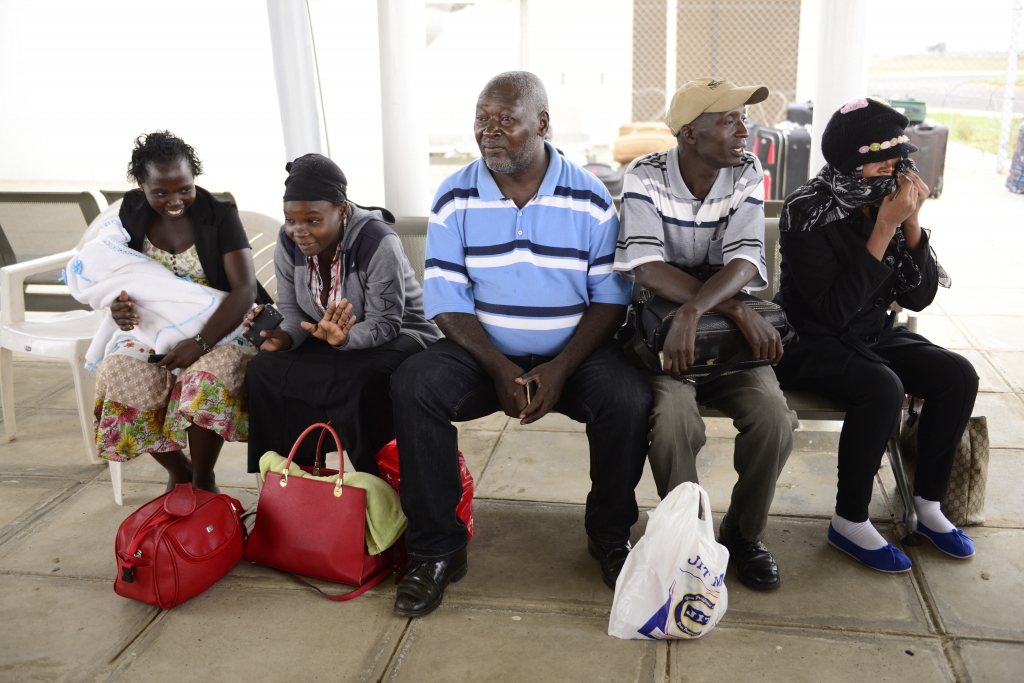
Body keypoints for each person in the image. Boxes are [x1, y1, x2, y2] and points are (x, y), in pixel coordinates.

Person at [390, 72, 651, 618]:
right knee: (415, 385)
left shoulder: (589, 196)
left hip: (573, 355)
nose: (489, 130)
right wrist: (498, 367)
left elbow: (610, 300)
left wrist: (558, 368)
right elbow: (445, 297)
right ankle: (437, 549)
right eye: (482, 118)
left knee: (626, 398)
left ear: (542, 123)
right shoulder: (455, 194)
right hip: (484, 353)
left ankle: (608, 535)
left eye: (505, 119)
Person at [773, 97, 978, 571]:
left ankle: (928, 506)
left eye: (900, 156)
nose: (897, 166)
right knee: (882, 386)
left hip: (869, 332)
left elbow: (920, 297)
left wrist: (910, 223)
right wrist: (884, 227)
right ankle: (849, 520)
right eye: (883, 157)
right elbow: (833, 313)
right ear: (851, 160)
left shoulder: (886, 198)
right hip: (808, 339)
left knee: (957, 375)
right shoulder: (808, 210)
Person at [613, 78, 798, 591]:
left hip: (723, 338)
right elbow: (646, 267)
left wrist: (699, 310)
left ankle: (743, 535)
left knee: (774, 418)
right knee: (673, 422)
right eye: (729, 120)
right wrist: (723, 308)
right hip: (664, 339)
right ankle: (689, 542)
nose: (745, 129)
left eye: (743, 118)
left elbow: (745, 258)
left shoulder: (745, 170)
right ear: (690, 135)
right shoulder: (643, 175)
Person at [244, 154, 439, 476]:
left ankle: (379, 480)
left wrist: (346, 338)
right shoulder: (287, 240)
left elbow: (386, 322)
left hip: (400, 334)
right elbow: (293, 311)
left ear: (342, 210)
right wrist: (285, 336)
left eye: (313, 220)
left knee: (358, 381)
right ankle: (292, 475)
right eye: (291, 219)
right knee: (265, 370)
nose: (299, 231)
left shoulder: (377, 241)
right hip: (331, 336)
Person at [92, 131, 259, 492]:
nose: (175, 200)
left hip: (222, 328)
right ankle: (180, 472)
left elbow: (244, 290)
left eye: (184, 188)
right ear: (142, 184)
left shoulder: (220, 215)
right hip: (154, 330)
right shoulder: (132, 211)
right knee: (119, 373)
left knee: (204, 382)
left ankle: (202, 479)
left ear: (193, 178)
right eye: (161, 192)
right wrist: (119, 307)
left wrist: (200, 342)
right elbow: (124, 274)